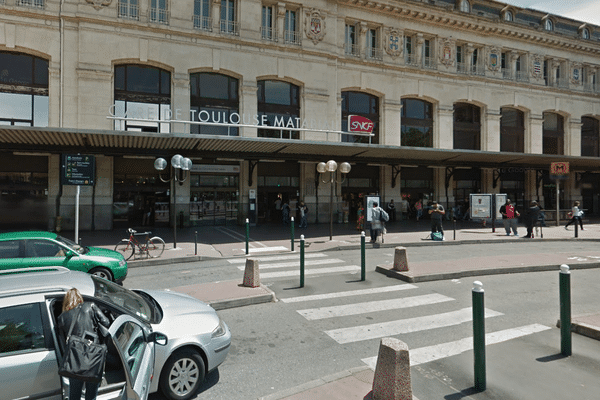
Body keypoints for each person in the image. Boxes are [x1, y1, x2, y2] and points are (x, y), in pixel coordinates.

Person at [57, 288, 110, 400]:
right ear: (79, 298)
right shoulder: (90, 306)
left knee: (74, 395)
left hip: (75, 359)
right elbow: (106, 322)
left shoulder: (61, 318)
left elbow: (63, 343)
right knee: (91, 395)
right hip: (93, 355)